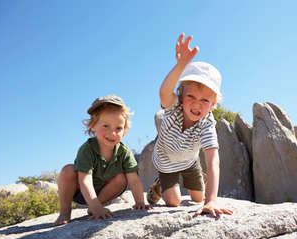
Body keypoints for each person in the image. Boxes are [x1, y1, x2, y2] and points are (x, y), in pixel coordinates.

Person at [151, 33, 233, 217]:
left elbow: (213, 160)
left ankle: (200, 184)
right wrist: (180, 66)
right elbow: (164, 93)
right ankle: (159, 186)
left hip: (189, 161)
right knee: (174, 202)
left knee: (198, 198)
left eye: (205, 100)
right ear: (180, 96)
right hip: (167, 161)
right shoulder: (174, 109)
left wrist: (211, 201)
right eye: (191, 97)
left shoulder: (207, 122)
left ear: (213, 105)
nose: (196, 104)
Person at [54, 95, 150, 226]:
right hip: (81, 191)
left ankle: (94, 207)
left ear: (125, 130)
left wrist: (140, 202)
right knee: (67, 170)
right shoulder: (87, 149)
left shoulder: (124, 152)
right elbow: (85, 181)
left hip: (105, 191)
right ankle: (65, 213)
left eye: (118, 128)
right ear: (93, 125)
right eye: (106, 126)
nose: (112, 133)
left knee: (122, 178)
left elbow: (133, 179)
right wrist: (96, 207)